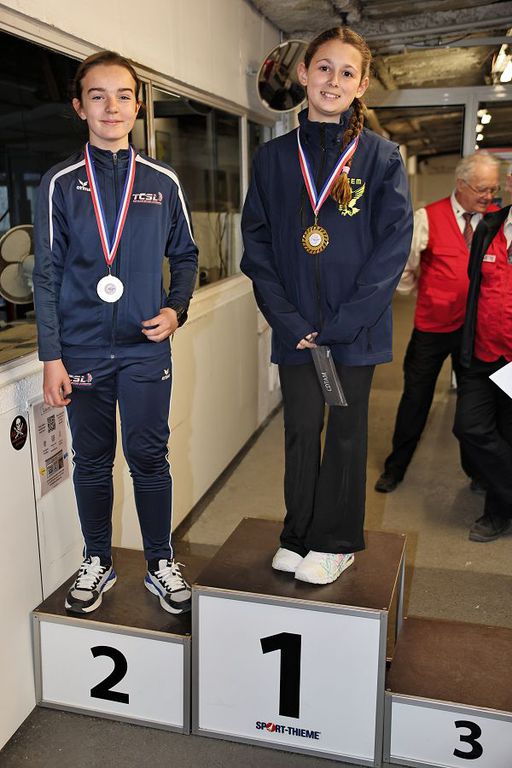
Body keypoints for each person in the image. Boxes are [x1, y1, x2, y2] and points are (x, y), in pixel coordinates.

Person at [241, 27, 412, 585]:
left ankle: (335, 543)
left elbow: (392, 248)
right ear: (303, 74)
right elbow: (257, 245)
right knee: (299, 431)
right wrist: (287, 320)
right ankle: (298, 534)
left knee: (344, 432)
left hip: (353, 333)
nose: (333, 81)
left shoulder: (380, 157)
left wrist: (345, 324)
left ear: (361, 85)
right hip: (296, 330)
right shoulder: (273, 158)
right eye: (323, 68)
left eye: (346, 72)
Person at [33, 51, 198, 614]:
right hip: (81, 350)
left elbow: (186, 255)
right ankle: (97, 559)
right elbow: (46, 274)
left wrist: (176, 309)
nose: (111, 107)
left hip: (145, 348)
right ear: (79, 107)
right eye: (97, 96)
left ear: (138, 105)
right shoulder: (59, 183)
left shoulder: (162, 181)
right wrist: (51, 357)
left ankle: (160, 562)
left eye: (123, 95)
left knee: (150, 457)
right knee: (92, 459)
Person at [375, 152, 500, 493]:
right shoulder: (427, 218)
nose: (489, 196)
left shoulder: (497, 220)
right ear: (461, 184)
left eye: (493, 189)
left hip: (476, 331)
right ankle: (396, 467)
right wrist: (426, 292)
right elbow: (405, 267)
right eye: (482, 189)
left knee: (474, 403)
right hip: (432, 328)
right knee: (416, 398)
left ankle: (477, 473)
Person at [453, 175, 512, 542]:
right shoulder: (490, 226)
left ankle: (497, 514)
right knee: (469, 427)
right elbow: (475, 284)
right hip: (481, 352)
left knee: (508, 433)